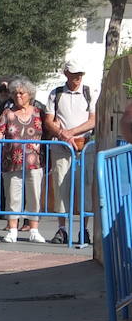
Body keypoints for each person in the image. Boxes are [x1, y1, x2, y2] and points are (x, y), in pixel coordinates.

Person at [44, 60, 95, 245]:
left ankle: (84, 230)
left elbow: (93, 120)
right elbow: (48, 120)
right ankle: (62, 229)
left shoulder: (89, 92)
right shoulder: (56, 93)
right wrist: (62, 135)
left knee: (86, 187)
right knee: (60, 186)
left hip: (84, 146)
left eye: (80, 74)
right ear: (66, 73)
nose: (77, 78)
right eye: (74, 74)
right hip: (61, 147)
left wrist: (69, 133)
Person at [0, 76, 46, 243]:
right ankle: (12, 229)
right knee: (12, 196)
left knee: (34, 195)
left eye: (21, 93)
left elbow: (49, 129)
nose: (18, 96)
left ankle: (34, 230)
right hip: (12, 160)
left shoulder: (39, 113)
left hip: (34, 161)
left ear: (29, 94)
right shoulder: (7, 113)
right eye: (15, 93)